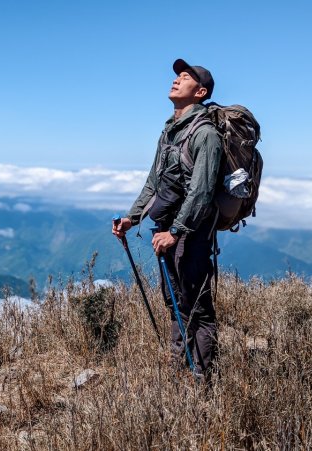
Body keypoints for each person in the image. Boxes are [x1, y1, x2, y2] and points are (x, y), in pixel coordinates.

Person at [112, 58, 223, 379]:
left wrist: (176, 231)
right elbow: (154, 182)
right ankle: (179, 373)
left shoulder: (206, 135)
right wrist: (132, 219)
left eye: (185, 78)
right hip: (167, 232)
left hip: (192, 233)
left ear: (200, 92)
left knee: (198, 308)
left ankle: (203, 381)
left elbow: (201, 192)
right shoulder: (169, 132)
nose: (176, 80)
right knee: (175, 303)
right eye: (177, 76)